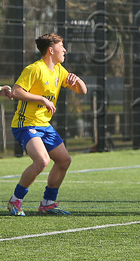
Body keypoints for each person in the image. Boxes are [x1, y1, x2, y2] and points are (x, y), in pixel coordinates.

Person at [7, 33, 87, 216]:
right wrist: (42, 99)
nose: (65, 50)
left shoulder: (59, 69)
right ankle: (15, 201)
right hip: (26, 124)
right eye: (62, 46)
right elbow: (17, 92)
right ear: (51, 50)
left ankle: (48, 203)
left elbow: (82, 91)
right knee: (42, 160)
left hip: (44, 125)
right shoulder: (34, 69)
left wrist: (78, 80)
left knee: (64, 160)